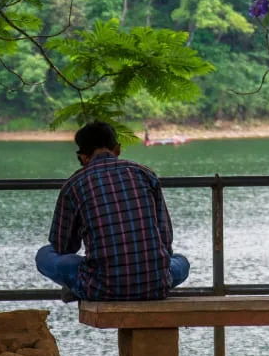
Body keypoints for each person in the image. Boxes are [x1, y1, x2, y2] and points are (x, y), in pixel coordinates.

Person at [35, 120, 190, 301]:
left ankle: (77, 288)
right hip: (156, 285)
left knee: (44, 255)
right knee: (181, 262)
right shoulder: (145, 174)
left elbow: (64, 247)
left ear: (83, 157)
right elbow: (165, 238)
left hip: (102, 289)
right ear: (117, 149)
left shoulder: (74, 185)